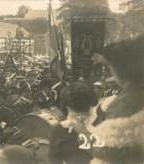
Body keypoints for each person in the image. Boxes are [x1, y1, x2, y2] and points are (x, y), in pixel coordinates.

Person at [51, 35, 144, 164]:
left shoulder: (127, 101)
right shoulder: (133, 94)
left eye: (110, 68)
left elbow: (110, 149)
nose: (111, 74)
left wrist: (82, 132)